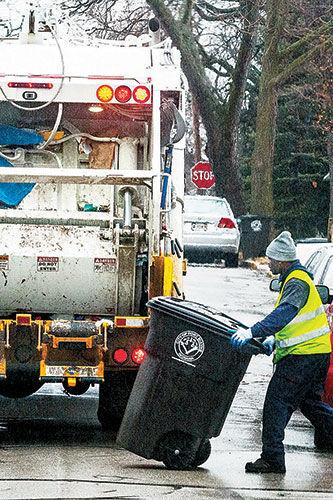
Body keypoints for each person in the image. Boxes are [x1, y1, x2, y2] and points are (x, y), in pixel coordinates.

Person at [230, 231, 333, 473]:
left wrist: (252, 332)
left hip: (303, 356)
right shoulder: (295, 279)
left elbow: (283, 314)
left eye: (272, 260)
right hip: (315, 354)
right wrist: (273, 341)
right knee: (310, 404)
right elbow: (292, 322)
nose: (270, 263)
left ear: (283, 260)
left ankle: (272, 459)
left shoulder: (296, 282)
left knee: (276, 403)